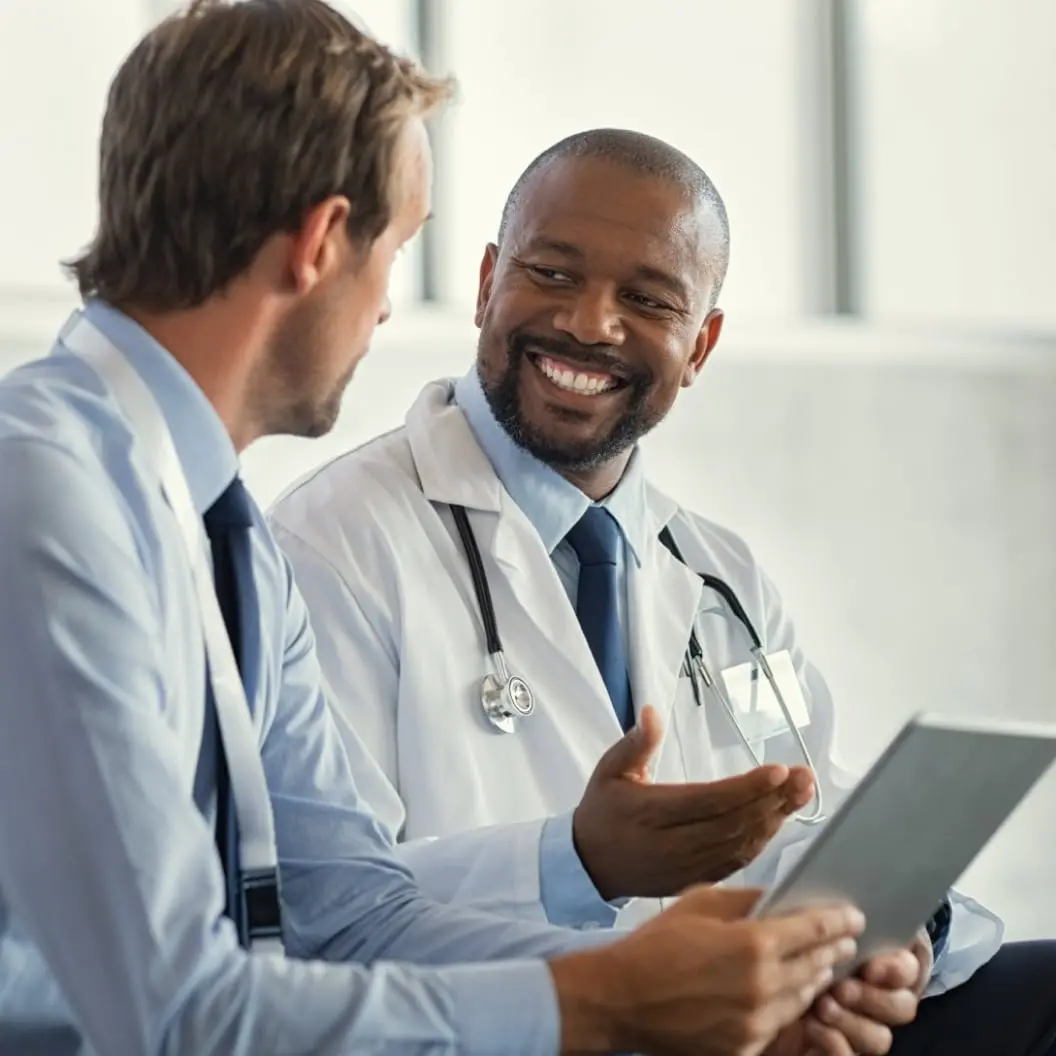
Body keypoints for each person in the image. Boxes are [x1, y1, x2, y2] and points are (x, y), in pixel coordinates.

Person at [0, 3, 886, 1055]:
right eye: (399, 250)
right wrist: (608, 1003)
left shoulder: (221, 537)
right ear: (324, 242)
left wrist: (691, 977)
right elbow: (175, 1011)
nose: (383, 313)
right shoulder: (46, 496)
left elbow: (350, 917)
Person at [268, 126, 1056, 1056]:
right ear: (487, 283)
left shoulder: (720, 578)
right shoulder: (332, 545)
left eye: (647, 299)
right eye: (553, 274)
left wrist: (893, 940)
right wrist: (577, 861)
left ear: (701, 344)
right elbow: (324, 913)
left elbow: (811, 811)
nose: (590, 323)